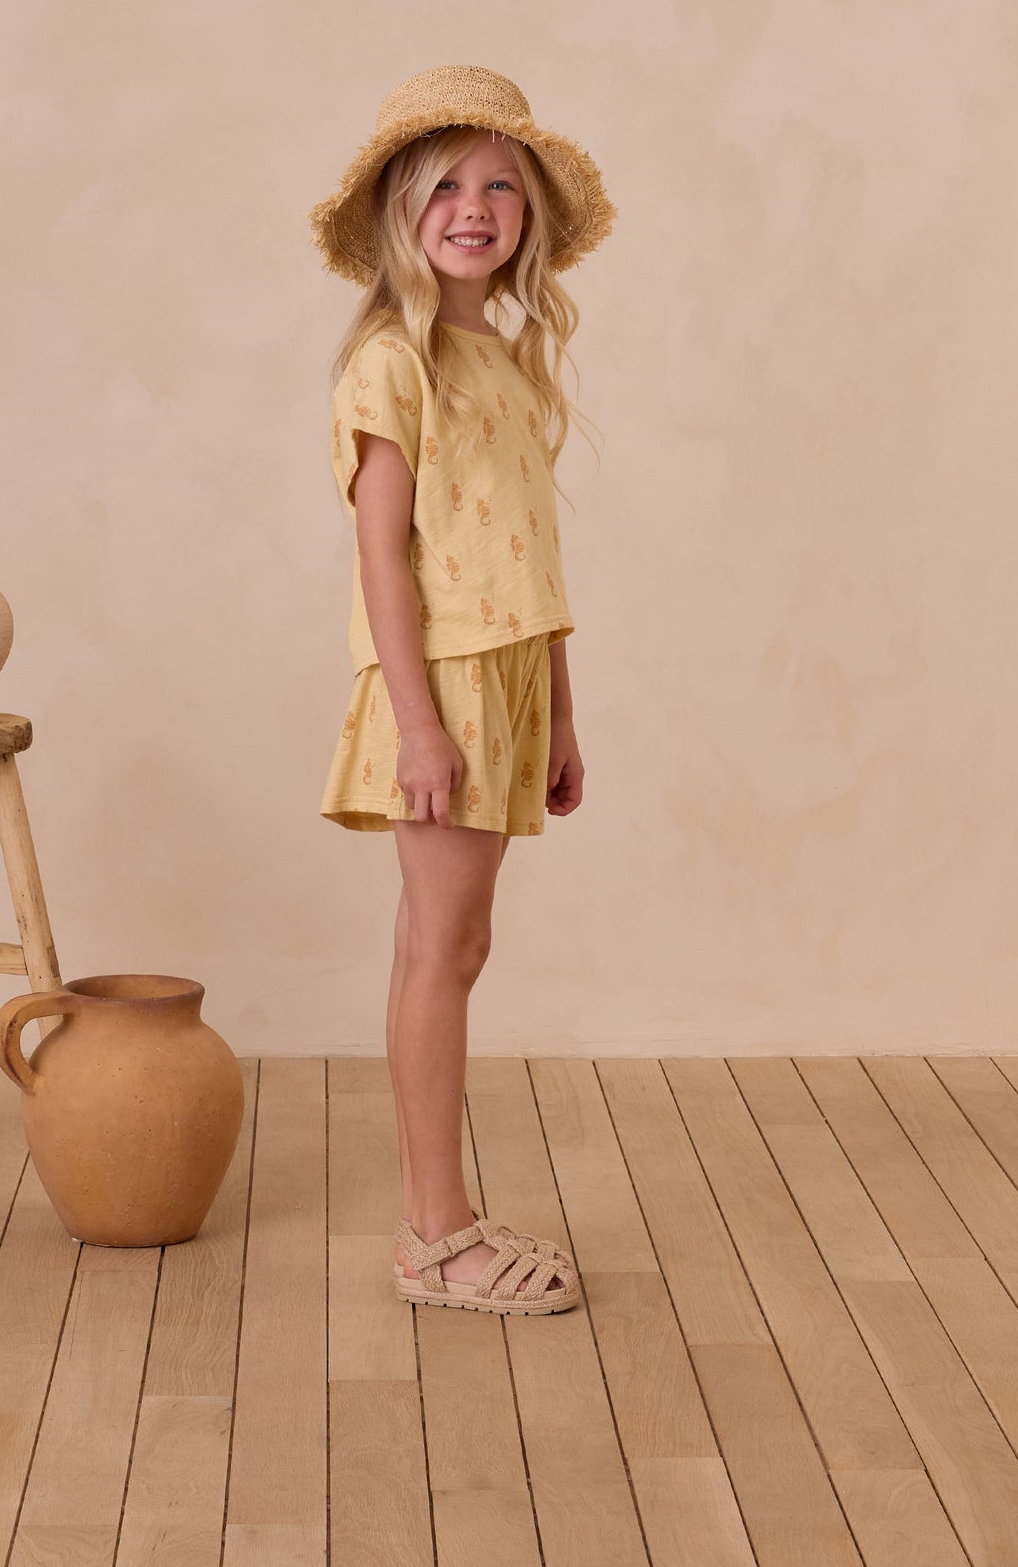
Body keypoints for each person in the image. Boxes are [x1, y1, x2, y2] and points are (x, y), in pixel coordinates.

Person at [310, 64, 616, 1315]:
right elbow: (382, 555)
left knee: (443, 943)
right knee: (445, 946)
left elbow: (526, 557)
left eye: (498, 185)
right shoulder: (394, 363)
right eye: (444, 186)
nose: (473, 208)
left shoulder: (503, 357)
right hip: (437, 683)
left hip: (507, 676)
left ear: (527, 212)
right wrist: (419, 725)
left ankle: (430, 1227)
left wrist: (560, 707)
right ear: (401, 208)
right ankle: (435, 1237)